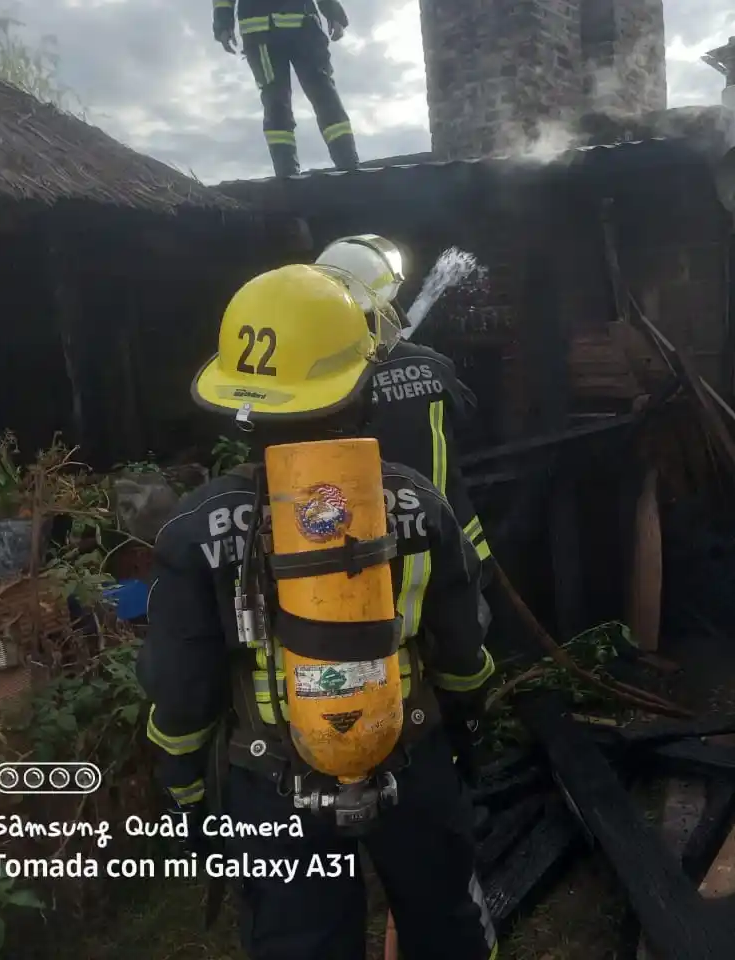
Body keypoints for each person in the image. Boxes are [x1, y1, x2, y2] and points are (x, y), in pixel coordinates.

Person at [136, 263, 498, 960]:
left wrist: (186, 792)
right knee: (446, 926)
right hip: (411, 758)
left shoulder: (196, 526)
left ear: (242, 406)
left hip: (272, 781)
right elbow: (461, 650)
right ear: (359, 389)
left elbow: (181, 693)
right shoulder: (421, 503)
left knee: (301, 943)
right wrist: (467, 729)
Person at [314, 236, 494, 577]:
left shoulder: (326, 383)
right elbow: (470, 420)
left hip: (373, 555)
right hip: (453, 546)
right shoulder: (434, 364)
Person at [212, 0, 359, 176]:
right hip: (261, 32)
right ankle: (286, 173)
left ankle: (348, 162)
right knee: (277, 102)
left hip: (302, 27)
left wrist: (333, 13)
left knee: (323, 92)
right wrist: (223, 23)